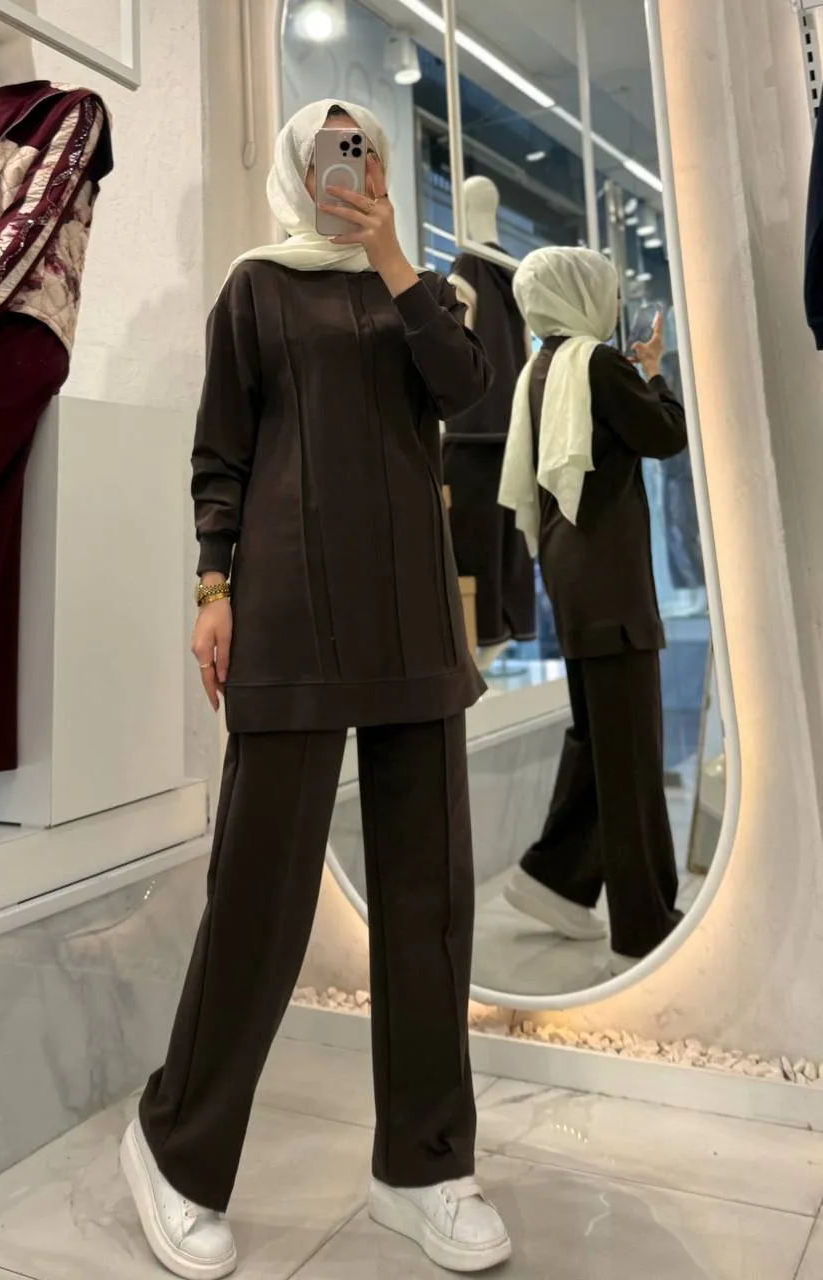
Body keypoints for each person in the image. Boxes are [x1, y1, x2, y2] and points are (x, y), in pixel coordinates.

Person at [119, 99, 512, 1279]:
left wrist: (393, 254)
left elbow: (467, 391)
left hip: (408, 613)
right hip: (289, 606)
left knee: (427, 901)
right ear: (301, 166)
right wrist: (212, 584)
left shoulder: (424, 293)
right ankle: (176, 1148)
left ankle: (426, 1166)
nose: (357, 165)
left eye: (371, 149)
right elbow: (221, 450)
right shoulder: (255, 287)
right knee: (261, 891)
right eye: (338, 149)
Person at [498, 246, 686, 976]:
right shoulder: (598, 365)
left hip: (572, 576)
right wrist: (654, 373)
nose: (613, 304)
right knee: (629, 749)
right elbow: (664, 435)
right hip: (608, 581)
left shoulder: (542, 366)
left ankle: (554, 879)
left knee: (602, 738)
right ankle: (644, 925)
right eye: (605, 291)